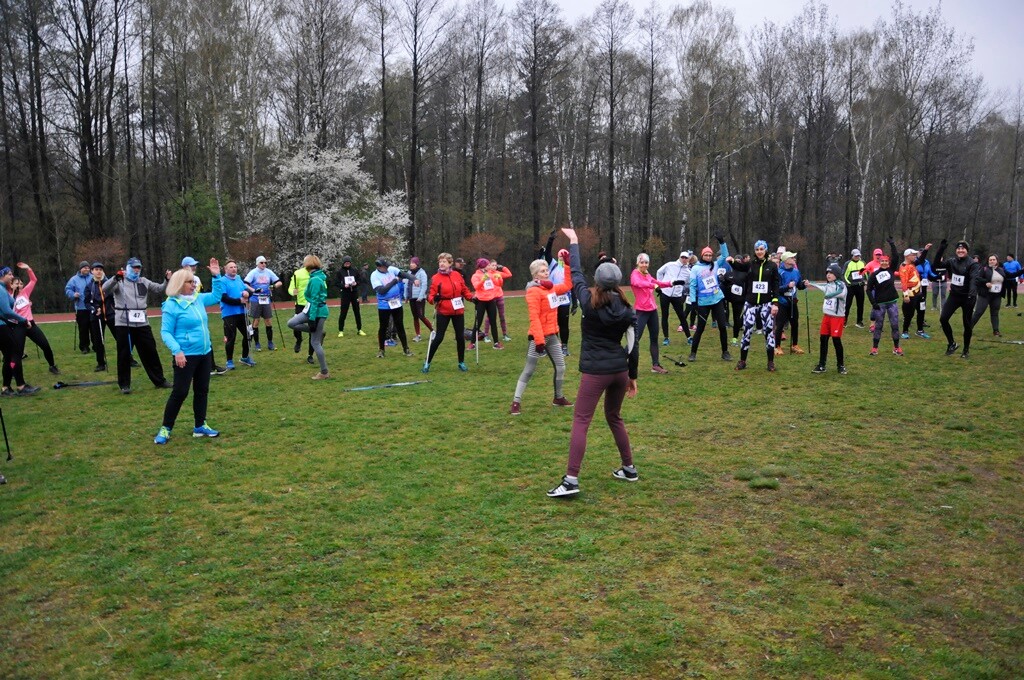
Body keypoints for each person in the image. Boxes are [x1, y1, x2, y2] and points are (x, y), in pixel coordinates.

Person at [547, 228, 639, 499]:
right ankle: (629, 468)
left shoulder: (588, 302)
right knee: (614, 417)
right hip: (619, 371)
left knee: (581, 421)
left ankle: (571, 479)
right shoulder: (627, 309)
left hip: (596, 372)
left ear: (597, 281)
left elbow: (575, 274)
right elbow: (633, 347)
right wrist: (631, 376)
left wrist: (574, 243)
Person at [154, 261, 226, 444]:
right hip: (185, 356)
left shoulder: (198, 298)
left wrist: (217, 276)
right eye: (190, 282)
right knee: (180, 392)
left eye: (194, 282)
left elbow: (217, 296)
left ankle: (200, 426)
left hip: (204, 353)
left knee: (202, 390)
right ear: (179, 284)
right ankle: (166, 428)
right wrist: (177, 351)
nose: (194, 285)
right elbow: (166, 332)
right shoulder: (171, 305)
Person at [510, 256, 572, 415]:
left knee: (561, 366)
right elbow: (534, 318)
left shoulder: (551, 288)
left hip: (552, 336)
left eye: (546, 270)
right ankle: (516, 401)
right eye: (543, 271)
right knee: (529, 369)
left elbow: (567, 285)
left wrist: (567, 265)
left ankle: (558, 398)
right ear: (535, 275)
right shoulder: (533, 292)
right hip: (538, 338)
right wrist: (539, 341)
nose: (546, 273)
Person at [102, 258, 173, 394]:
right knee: (124, 354)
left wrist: (166, 280)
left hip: (142, 323)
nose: (136, 270)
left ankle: (159, 380)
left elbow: (159, 289)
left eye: (138, 268)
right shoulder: (119, 281)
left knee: (150, 351)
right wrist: (114, 278)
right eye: (134, 267)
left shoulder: (144, 281)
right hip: (124, 323)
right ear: (127, 267)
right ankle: (124, 385)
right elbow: (105, 289)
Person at [732, 240, 781, 371]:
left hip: (766, 303)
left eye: (761, 249)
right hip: (751, 303)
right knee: (747, 331)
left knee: (769, 332)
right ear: (755, 251)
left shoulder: (772, 266)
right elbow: (739, 267)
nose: (759, 251)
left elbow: (776, 285)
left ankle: (770, 362)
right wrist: (731, 261)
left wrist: (775, 302)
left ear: (765, 250)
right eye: (757, 249)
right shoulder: (750, 265)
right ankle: (742, 361)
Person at [423, 252, 473, 372]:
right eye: (440, 261)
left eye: (444, 261)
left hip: (458, 310)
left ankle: (461, 362)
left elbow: (464, 289)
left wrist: (471, 298)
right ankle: (427, 362)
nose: (442, 264)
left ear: (450, 263)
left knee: (460, 337)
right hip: (443, 310)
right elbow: (430, 295)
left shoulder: (457, 275)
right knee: (439, 337)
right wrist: (433, 299)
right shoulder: (435, 278)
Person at [932, 239, 980, 359]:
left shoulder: (972, 264)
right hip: (954, 295)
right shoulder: (951, 262)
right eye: (958, 249)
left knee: (967, 323)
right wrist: (941, 249)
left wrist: (972, 293)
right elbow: (936, 265)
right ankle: (952, 343)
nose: (960, 250)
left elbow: (974, 279)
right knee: (943, 319)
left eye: (963, 249)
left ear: (967, 251)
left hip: (967, 297)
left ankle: (966, 350)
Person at [687, 235, 732, 362]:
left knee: (722, 327)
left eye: (710, 255)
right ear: (702, 256)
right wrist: (693, 302)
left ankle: (725, 352)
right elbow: (692, 286)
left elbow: (725, 256)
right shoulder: (696, 268)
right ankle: (693, 353)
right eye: (706, 255)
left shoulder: (716, 265)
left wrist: (722, 242)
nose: (708, 257)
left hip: (717, 300)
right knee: (700, 328)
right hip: (703, 302)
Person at [11, 263, 59, 375]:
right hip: (19, 326)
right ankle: (12, 371)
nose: (19, 285)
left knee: (45, 345)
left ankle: (52, 366)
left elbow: (33, 280)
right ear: (11, 285)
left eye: (21, 283)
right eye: (16, 283)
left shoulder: (25, 292)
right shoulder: (8, 296)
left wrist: (29, 269)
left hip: (31, 325)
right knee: (17, 353)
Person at [181, 256, 227, 375]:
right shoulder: (178, 278)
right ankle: (187, 368)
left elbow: (213, 296)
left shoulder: (196, 278)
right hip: (185, 316)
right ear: (185, 267)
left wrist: (216, 276)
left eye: (195, 265)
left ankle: (210, 366)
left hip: (198, 311)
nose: (194, 267)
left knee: (206, 338)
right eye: (191, 265)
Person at [287, 255, 331, 379]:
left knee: (315, 343)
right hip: (310, 309)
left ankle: (324, 372)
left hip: (316, 312)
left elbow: (316, 300)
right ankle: (318, 331)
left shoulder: (315, 280)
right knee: (291, 323)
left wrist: (312, 319)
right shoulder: (315, 277)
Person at [630, 252, 671, 373]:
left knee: (654, 338)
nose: (644, 265)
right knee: (635, 339)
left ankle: (655, 365)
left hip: (652, 310)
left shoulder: (647, 274)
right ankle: (623, 363)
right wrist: (653, 286)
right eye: (642, 262)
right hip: (641, 311)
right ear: (638, 263)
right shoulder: (635, 274)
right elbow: (637, 283)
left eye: (646, 262)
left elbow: (657, 283)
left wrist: (671, 283)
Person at [0, 266, 38, 395]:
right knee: (15, 355)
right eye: (9, 274)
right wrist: (23, 320)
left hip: (3, 327)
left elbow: (13, 302)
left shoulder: (4, 290)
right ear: (2, 275)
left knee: (9, 357)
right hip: (2, 327)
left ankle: (6, 387)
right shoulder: (0, 290)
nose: (12, 277)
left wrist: (17, 292)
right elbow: (7, 311)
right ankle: (21, 386)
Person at [212, 260, 256, 370]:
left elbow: (247, 292)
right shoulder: (222, 281)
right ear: (225, 269)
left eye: (235, 267)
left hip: (242, 312)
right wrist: (239, 301)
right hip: (229, 313)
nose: (234, 269)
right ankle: (229, 360)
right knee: (231, 337)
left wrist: (247, 294)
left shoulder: (238, 279)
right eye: (231, 267)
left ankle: (245, 357)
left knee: (249, 333)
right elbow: (224, 298)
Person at [371, 258, 414, 358]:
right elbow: (381, 290)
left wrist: (414, 278)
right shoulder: (374, 275)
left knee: (400, 325)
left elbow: (403, 274)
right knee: (383, 327)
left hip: (396, 302)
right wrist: (393, 282)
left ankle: (406, 349)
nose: (387, 268)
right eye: (385, 266)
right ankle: (381, 350)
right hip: (384, 305)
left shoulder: (391, 269)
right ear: (379, 267)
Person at [809, 263, 848, 374]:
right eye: (827, 273)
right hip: (827, 316)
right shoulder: (828, 285)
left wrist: (830, 295)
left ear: (837, 274)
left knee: (836, 340)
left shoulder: (841, 285)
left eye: (831, 273)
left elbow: (841, 293)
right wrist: (809, 283)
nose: (828, 275)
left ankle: (840, 365)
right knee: (823, 339)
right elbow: (821, 286)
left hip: (837, 318)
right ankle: (822, 365)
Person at [866, 239, 903, 357]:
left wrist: (892, 244)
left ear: (888, 262)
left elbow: (896, 256)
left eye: (886, 261)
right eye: (882, 261)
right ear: (879, 262)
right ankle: (874, 348)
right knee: (878, 326)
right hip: (880, 304)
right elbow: (868, 289)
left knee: (895, 325)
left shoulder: (891, 270)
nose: (884, 263)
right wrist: (873, 303)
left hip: (892, 302)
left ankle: (896, 347)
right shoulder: (874, 275)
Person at [243, 256, 282, 351]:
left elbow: (279, 282)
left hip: (266, 299)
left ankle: (270, 343)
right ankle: (257, 343)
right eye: (261, 263)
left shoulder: (268, 272)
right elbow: (245, 283)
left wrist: (272, 286)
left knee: (268, 321)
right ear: (257, 263)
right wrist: (253, 290)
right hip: (255, 299)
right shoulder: (253, 272)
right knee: (256, 321)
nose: (264, 264)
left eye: (265, 262)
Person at [469, 258, 509, 350]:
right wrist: (483, 280)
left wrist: (500, 279)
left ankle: (496, 343)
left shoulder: (490, 274)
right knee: (477, 323)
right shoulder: (475, 276)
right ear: (482, 266)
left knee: (493, 321)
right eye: (487, 265)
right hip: (481, 301)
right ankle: (472, 343)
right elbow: (476, 287)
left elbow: (498, 285)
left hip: (491, 300)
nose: (489, 266)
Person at [774, 251, 806, 355]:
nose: (794, 259)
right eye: (792, 257)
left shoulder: (796, 271)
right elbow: (776, 289)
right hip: (782, 302)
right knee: (780, 325)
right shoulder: (779, 272)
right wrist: (788, 286)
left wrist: (804, 284)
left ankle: (794, 345)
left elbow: (799, 286)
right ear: (786, 260)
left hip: (793, 302)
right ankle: (777, 346)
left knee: (795, 324)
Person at [84, 262, 114, 372]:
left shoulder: (108, 283)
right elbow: (87, 302)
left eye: (100, 269)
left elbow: (114, 297)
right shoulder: (89, 286)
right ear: (92, 271)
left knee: (120, 337)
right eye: (96, 269)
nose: (98, 271)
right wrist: (94, 309)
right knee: (98, 341)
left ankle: (129, 359)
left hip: (111, 315)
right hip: (97, 317)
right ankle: (101, 363)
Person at [656, 251, 691, 346]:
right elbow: (659, 272)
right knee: (665, 315)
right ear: (679, 257)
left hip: (677, 296)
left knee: (682, 316)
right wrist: (660, 285)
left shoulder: (688, 272)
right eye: (682, 257)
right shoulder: (670, 265)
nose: (684, 259)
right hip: (665, 293)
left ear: (688, 259)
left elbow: (687, 283)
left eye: (686, 258)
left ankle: (689, 337)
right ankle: (666, 338)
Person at [899, 245, 931, 340]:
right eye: (913, 255)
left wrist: (925, 250)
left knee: (921, 311)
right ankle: (905, 331)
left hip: (919, 293)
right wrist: (906, 295)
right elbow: (903, 282)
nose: (915, 256)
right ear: (907, 256)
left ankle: (920, 330)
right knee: (909, 314)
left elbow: (921, 260)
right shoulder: (904, 267)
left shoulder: (913, 264)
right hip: (910, 294)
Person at [970, 255, 1008, 336]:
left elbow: (1011, 275)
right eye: (990, 260)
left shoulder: (1001, 270)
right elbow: (977, 278)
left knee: (995, 313)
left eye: (994, 259)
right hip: (985, 295)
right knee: (978, 312)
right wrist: (985, 282)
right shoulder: (984, 269)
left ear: (997, 261)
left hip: (996, 295)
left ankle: (996, 331)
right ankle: (969, 328)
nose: (992, 261)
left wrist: (1022, 271)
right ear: (988, 261)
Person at [64, 261, 93, 353]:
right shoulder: (74, 279)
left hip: (93, 307)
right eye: (84, 267)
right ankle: (84, 347)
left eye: (88, 267)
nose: (87, 269)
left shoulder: (93, 277)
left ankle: (97, 346)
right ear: (80, 269)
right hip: (81, 308)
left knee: (94, 328)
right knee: (83, 329)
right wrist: (73, 294)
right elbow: (68, 289)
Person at [335, 255, 365, 338]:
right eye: (346, 262)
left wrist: (356, 283)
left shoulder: (354, 270)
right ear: (343, 263)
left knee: (357, 312)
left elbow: (360, 279)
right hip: (345, 294)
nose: (347, 264)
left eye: (349, 262)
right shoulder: (340, 271)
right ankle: (341, 330)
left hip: (354, 293)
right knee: (343, 312)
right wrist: (343, 286)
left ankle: (359, 329)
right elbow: (336, 283)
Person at [483, 259, 512, 343]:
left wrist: (503, 267)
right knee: (489, 317)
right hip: (490, 298)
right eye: (492, 265)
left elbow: (509, 274)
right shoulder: (486, 274)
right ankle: (486, 335)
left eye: (496, 265)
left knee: (502, 316)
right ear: (488, 266)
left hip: (499, 297)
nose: (494, 267)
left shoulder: (498, 273)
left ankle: (504, 334)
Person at [722, 253, 748, 346]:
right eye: (735, 262)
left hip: (740, 300)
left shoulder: (745, 274)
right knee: (726, 315)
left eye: (739, 262)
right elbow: (723, 285)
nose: (737, 264)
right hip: (728, 299)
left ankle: (734, 338)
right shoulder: (728, 273)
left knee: (737, 318)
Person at [406, 256, 433, 342]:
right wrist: (406, 296)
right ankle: (418, 335)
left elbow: (424, 285)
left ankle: (433, 331)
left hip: (419, 298)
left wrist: (421, 297)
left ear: (417, 264)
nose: (411, 264)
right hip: (412, 298)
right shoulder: (409, 272)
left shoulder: (422, 273)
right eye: (410, 263)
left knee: (421, 316)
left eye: (413, 263)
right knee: (415, 317)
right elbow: (407, 285)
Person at [843, 249, 867, 328]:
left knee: (860, 305)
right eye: (855, 255)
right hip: (850, 287)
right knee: (848, 304)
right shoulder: (848, 263)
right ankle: (844, 321)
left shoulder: (862, 263)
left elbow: (865, 273)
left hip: (860, 287)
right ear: (852, 255)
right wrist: (848, 283)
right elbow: (844, 275)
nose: (857, 257)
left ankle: (859, 321)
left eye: (858, 255)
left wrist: (866, 281)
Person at [915, 255, 937, 338]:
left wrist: (936, 276)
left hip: (924, 286)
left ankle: (920, 326)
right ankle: (906, 324)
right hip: (915, 286)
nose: (921, 255)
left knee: (922, 306)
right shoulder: (914, 262)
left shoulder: (927, 262)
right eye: (920, 253)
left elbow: (930, 273)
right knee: (912, 306)